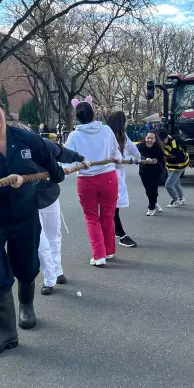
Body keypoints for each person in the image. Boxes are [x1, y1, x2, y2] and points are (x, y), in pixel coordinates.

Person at [0, 92, 66, 356]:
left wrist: (53, 174)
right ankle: (6, 332)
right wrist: (8, 184)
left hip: (24, 214)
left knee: (26, 264)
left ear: (2, 109)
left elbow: (47, 156)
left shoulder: (24, 137)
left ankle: (27, 305)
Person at [63, 95, 120, 267]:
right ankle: (109, 250)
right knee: (108, 215)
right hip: (108, 177)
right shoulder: (106, 131)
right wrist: (116, 159)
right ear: (93, 113)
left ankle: (99, 254)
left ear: (77, 117)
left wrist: (61, 169)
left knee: (91, 217)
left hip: (87, 179)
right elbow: (115, 152)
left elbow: (67, 158)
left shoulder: (74, 136)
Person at [33, 132, 86, 295]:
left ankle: (57, 271)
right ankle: (49, 279)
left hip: (49, 196)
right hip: (28, 201)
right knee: (40, 242)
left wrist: (81, 158)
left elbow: (61, 152)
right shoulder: (11, 151)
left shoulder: (43, 144)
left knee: (54, 235)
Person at [106, 111, 140, 248]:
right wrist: (131, 160)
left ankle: (115, 231)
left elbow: (134, 149)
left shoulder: (123, 137)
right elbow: (117, 160)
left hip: (118, 176)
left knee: (116, 207)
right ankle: (121, 235)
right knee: (112, 207)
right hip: (108, 174)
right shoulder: (108, 137)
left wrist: (139, 158)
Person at [158, 128, 189, 207]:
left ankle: (176, 199)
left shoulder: (174, 144)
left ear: (167, 137)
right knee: (176, 182)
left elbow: (179, 157)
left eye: (163, 140)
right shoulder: (162, 141)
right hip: (170, 164)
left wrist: (165, 157)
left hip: (179, 165)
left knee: (168, 185)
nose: (162, 142)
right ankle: (181, 199)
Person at [137, 130, 165, 216]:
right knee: (148, 191)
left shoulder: (159, 148)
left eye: (152, 138)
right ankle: (154, 202)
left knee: (152, 189)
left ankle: (151, 207)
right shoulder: (140, 146)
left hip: (155, 171)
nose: (149, 140)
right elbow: (137, 155)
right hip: (143, 171)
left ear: (155, 140)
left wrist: (156, 161)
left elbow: (162, 160)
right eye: (148, 138)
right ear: (145, 138)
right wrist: (145, 159)